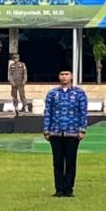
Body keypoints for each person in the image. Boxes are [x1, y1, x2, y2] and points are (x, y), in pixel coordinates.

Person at [43, 69, 88, 197]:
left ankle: (68, 189)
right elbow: (48, 112)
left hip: (72, 132)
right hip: (55, 132)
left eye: (66, 74)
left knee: (70, 162)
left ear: (71, 76)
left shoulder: (79, 93)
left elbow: (83, 112)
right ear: (59, 76)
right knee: (57, 163)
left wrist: (82, 129)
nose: (64, 77)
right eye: (62, 74)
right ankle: (59, 189)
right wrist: (46, 129)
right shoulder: (52, 94)